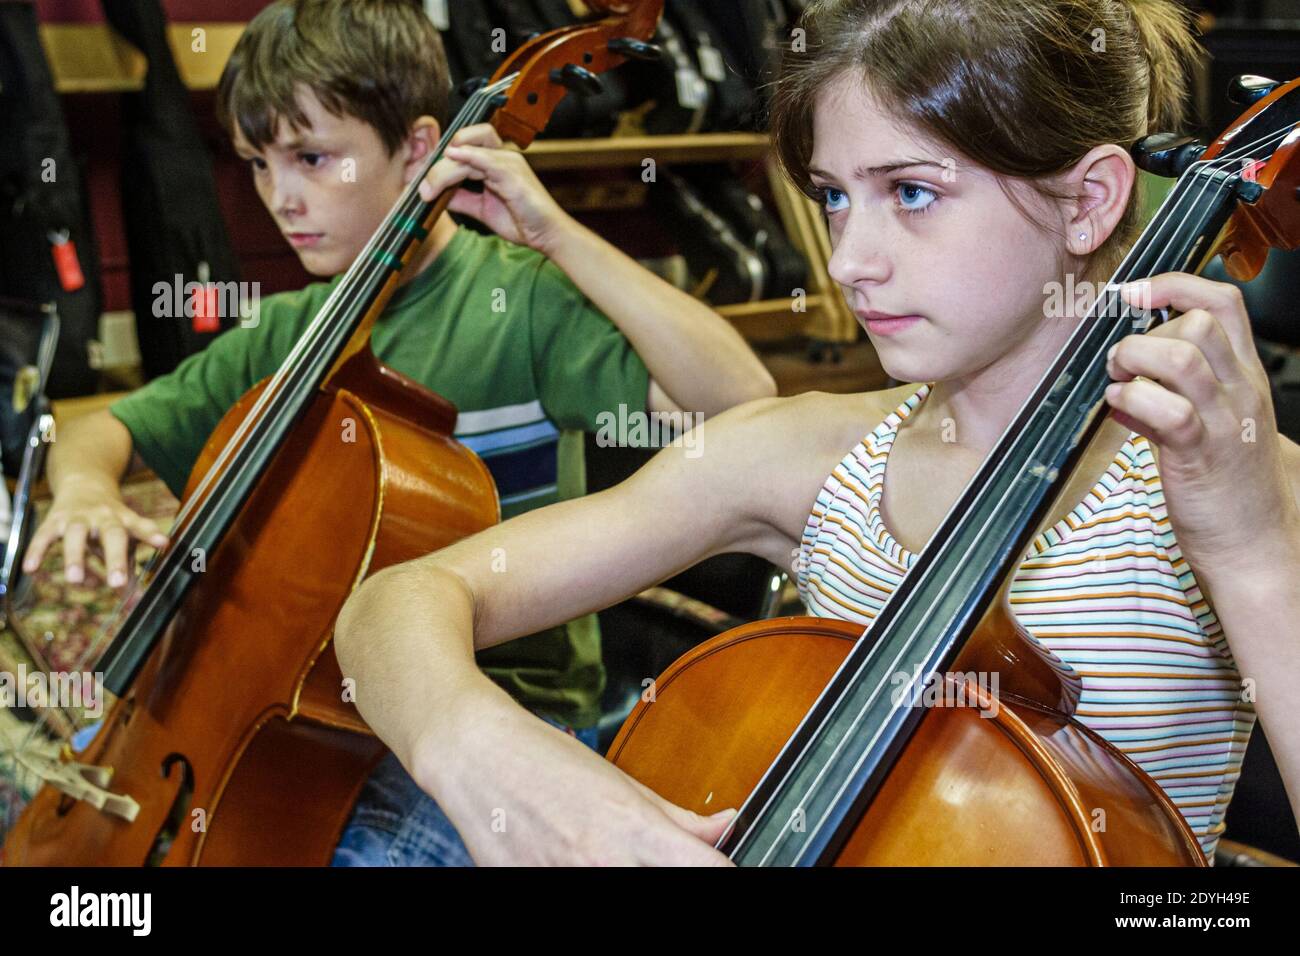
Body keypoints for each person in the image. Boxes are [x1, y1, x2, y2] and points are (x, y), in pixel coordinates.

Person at [334, 0, 1300, 865]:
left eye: (909, 193)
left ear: (1087, 200)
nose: (846, 261)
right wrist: (485, 753)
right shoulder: (804, 454)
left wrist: (1253, 550)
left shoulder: (1244, 487)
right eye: (834, 196)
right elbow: (397, 602)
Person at [17, 0, 776, 865]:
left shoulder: (518, 303)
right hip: (313, 717)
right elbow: (104, 431)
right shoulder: (286, 333)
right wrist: (82, 486)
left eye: (312, 158)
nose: (280, 198)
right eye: (258, 164)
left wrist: (559, 235)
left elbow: (738, 397)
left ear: (420, 148)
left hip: (495, 717)